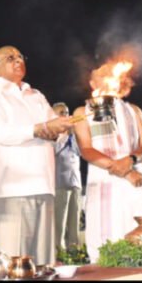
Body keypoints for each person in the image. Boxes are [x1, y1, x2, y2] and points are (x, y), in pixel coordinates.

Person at [0, 45, 72, 266]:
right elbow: (1, 133)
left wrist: (58, 130)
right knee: (14, 264)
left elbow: (58, 134)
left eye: (20, 57)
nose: (18, 61)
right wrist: (40, 128)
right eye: (10, 58)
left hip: (43, 185)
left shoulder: (35, 95)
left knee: (43, 263)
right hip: (9, 188)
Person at [72, 67, 142, 263]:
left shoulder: (133, 110)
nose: (106, 79)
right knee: (106, 239)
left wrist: (131, 160)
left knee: (140, 238)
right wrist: (125, 172)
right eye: (100, 76)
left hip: (136, 181)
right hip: (104, 180)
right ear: (92, 84)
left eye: (109, 75)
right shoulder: (82, 112)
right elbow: (86, 150)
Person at [52, 102, 82, 249]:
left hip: (75, 182)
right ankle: (59, 252)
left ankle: (75, 251)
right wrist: (64, 136)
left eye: (66, 112)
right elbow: (53, 152)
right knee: (59, 223)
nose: (65, 115)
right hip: (59, 184)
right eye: (61, 113)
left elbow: (81, 152)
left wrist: (74, 134)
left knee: (74, 221)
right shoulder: (51, 134)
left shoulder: (73, 134)